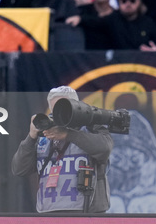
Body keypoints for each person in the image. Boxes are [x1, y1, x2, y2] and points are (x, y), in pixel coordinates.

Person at [11, 86, 113, 214]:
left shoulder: (90, 127)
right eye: (55, 111)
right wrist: (31, 137)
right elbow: (19, 168)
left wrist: (68, 134)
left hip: (86, 213)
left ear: (77, 106)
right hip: (48, 213)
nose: (59, 116)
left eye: (64, 109)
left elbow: (104, 149)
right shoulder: (45, 135)